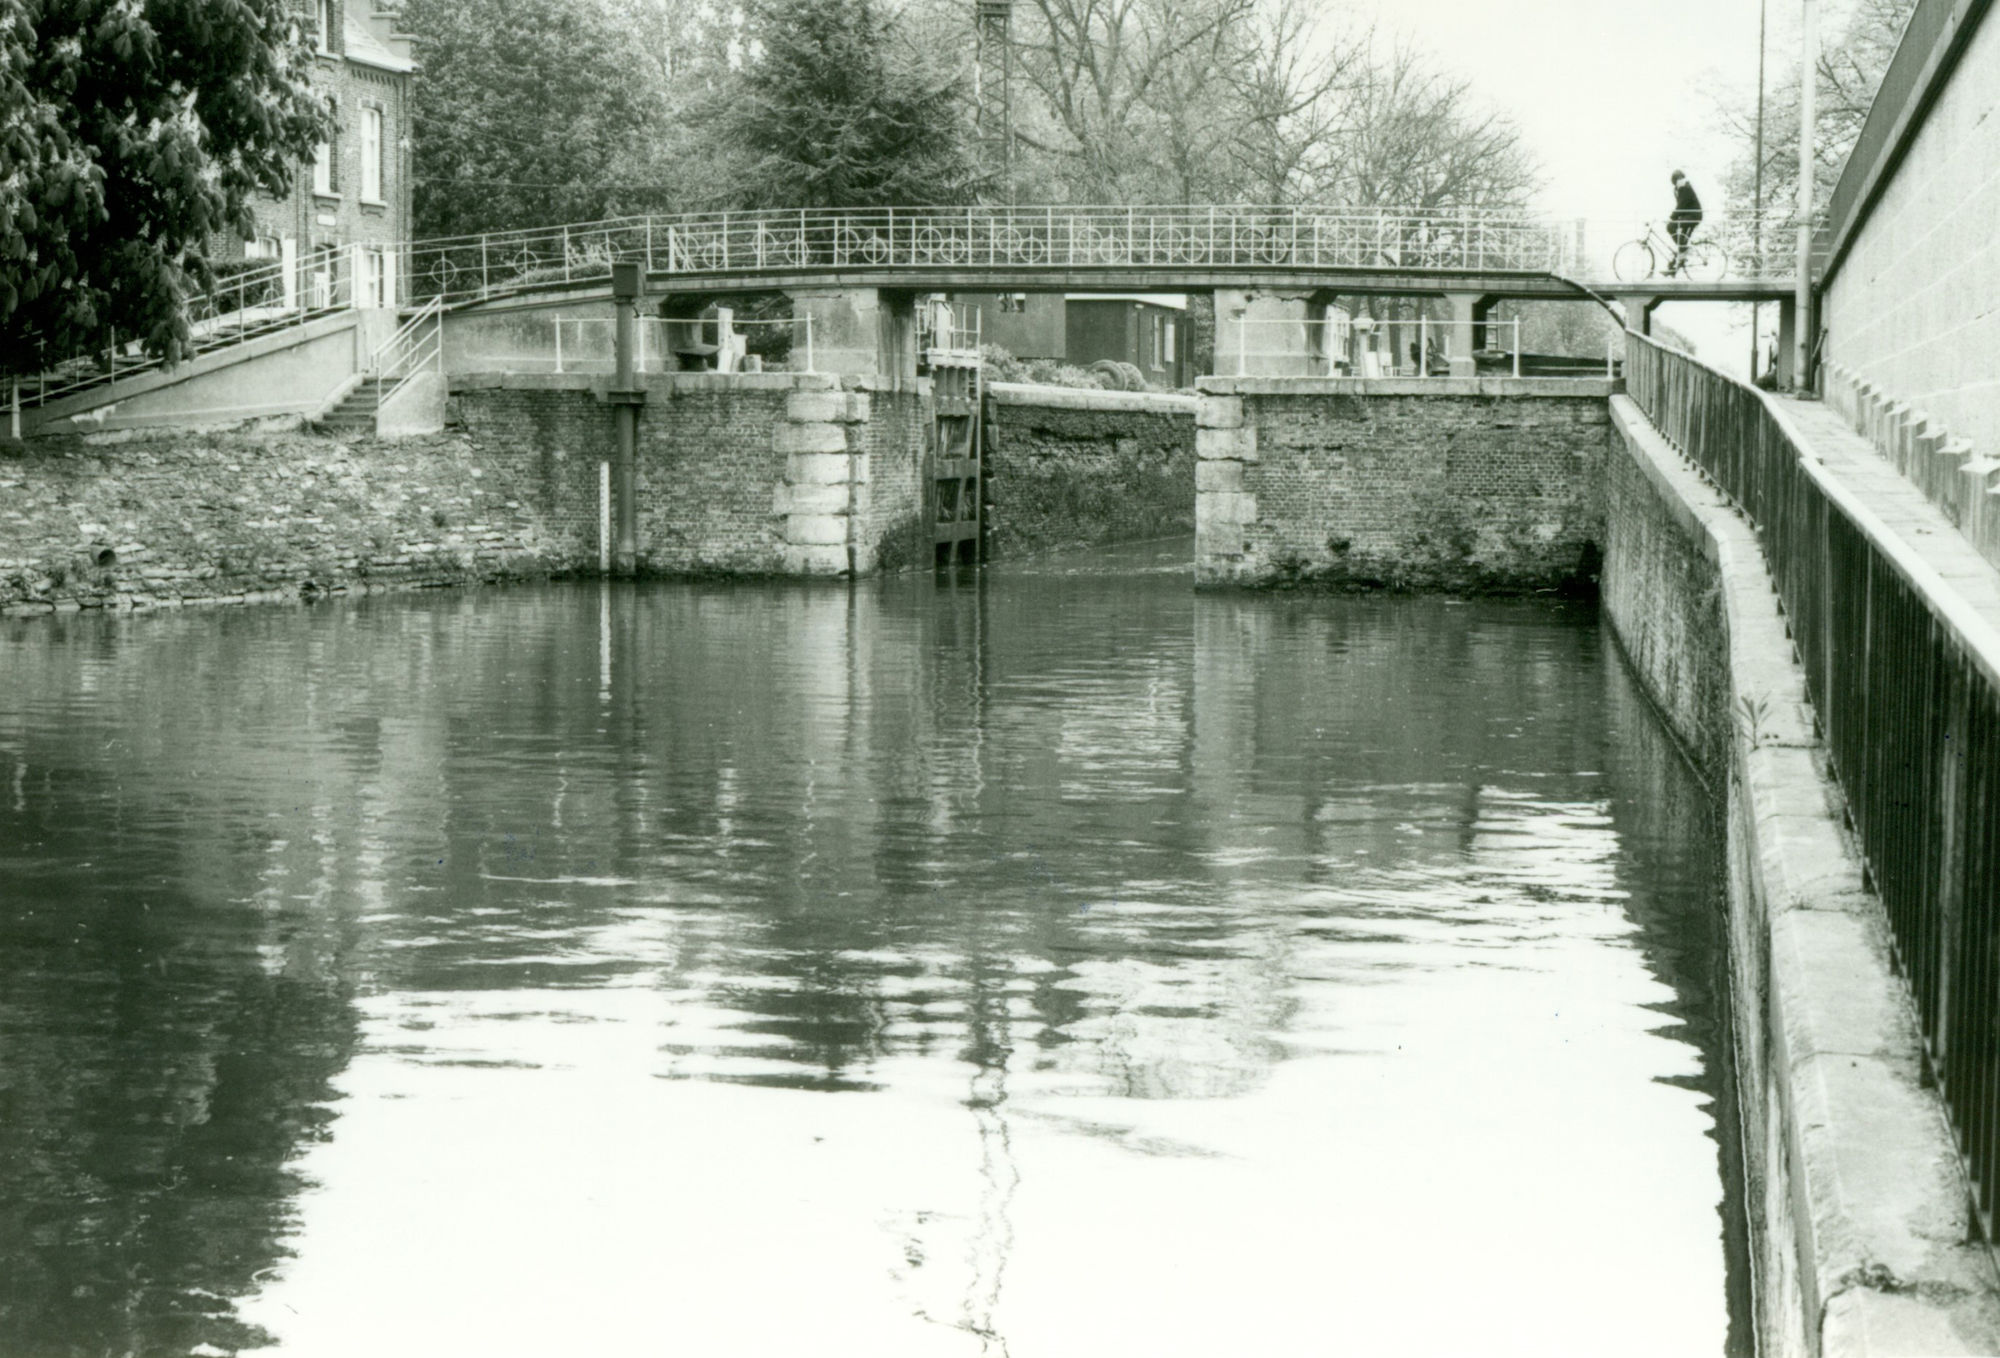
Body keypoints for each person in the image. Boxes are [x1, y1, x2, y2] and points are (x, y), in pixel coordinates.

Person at [1668, 171, 1703, 275]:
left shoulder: (1685, 188)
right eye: (1679, 180)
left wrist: (1672, 218)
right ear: (1675, 182)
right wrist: (1675, 217)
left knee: (1670, 227)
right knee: (1681, 239)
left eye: (1682, 178)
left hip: (1693, 216)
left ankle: (1683, 250)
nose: (1682, 181)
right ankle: (1674, 266)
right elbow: (1681, 206)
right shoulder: (1679, 189)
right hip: (1688, 216)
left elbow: (1681, 206)